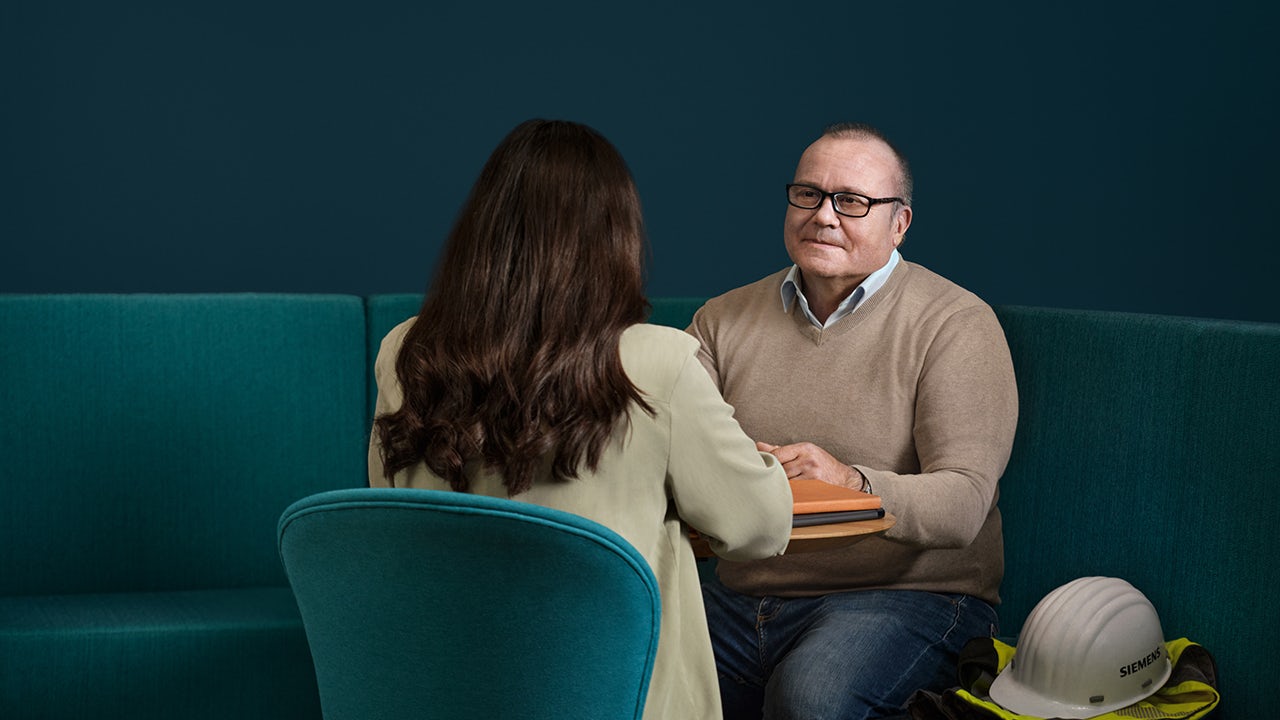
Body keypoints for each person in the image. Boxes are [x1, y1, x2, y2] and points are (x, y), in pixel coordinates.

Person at [367, 118, 794, 720]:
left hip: (448, 688)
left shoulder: (405, 351)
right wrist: (758, 464)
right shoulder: (659, 362)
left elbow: (390, 504)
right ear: (615, 239)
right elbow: (760, 527)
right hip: (611, 695)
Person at [688, 122, 1019, 720]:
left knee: (812, 697)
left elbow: (963, 502)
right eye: (808, 194)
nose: (823, 216)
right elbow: (673, 455)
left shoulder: (956, 323)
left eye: (852, 201)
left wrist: (850, 483)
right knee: (609, 659)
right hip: (741, 598)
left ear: (900, 223)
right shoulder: (720, 319)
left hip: (908, 598)